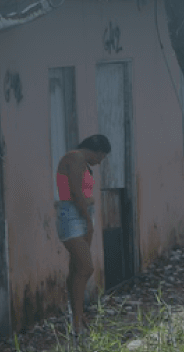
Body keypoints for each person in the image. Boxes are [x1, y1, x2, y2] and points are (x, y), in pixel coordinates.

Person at [55, 134, 110, 334]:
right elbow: (76, 193)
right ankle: (77, 322)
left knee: (77, 270)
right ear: (97, 150)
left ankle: (77, 317)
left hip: (79, 213)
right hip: (73, 215)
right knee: (86, 268)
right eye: (101, 157)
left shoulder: (80, 161)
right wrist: (87, 220)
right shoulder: (75, 157)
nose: (99, 162)